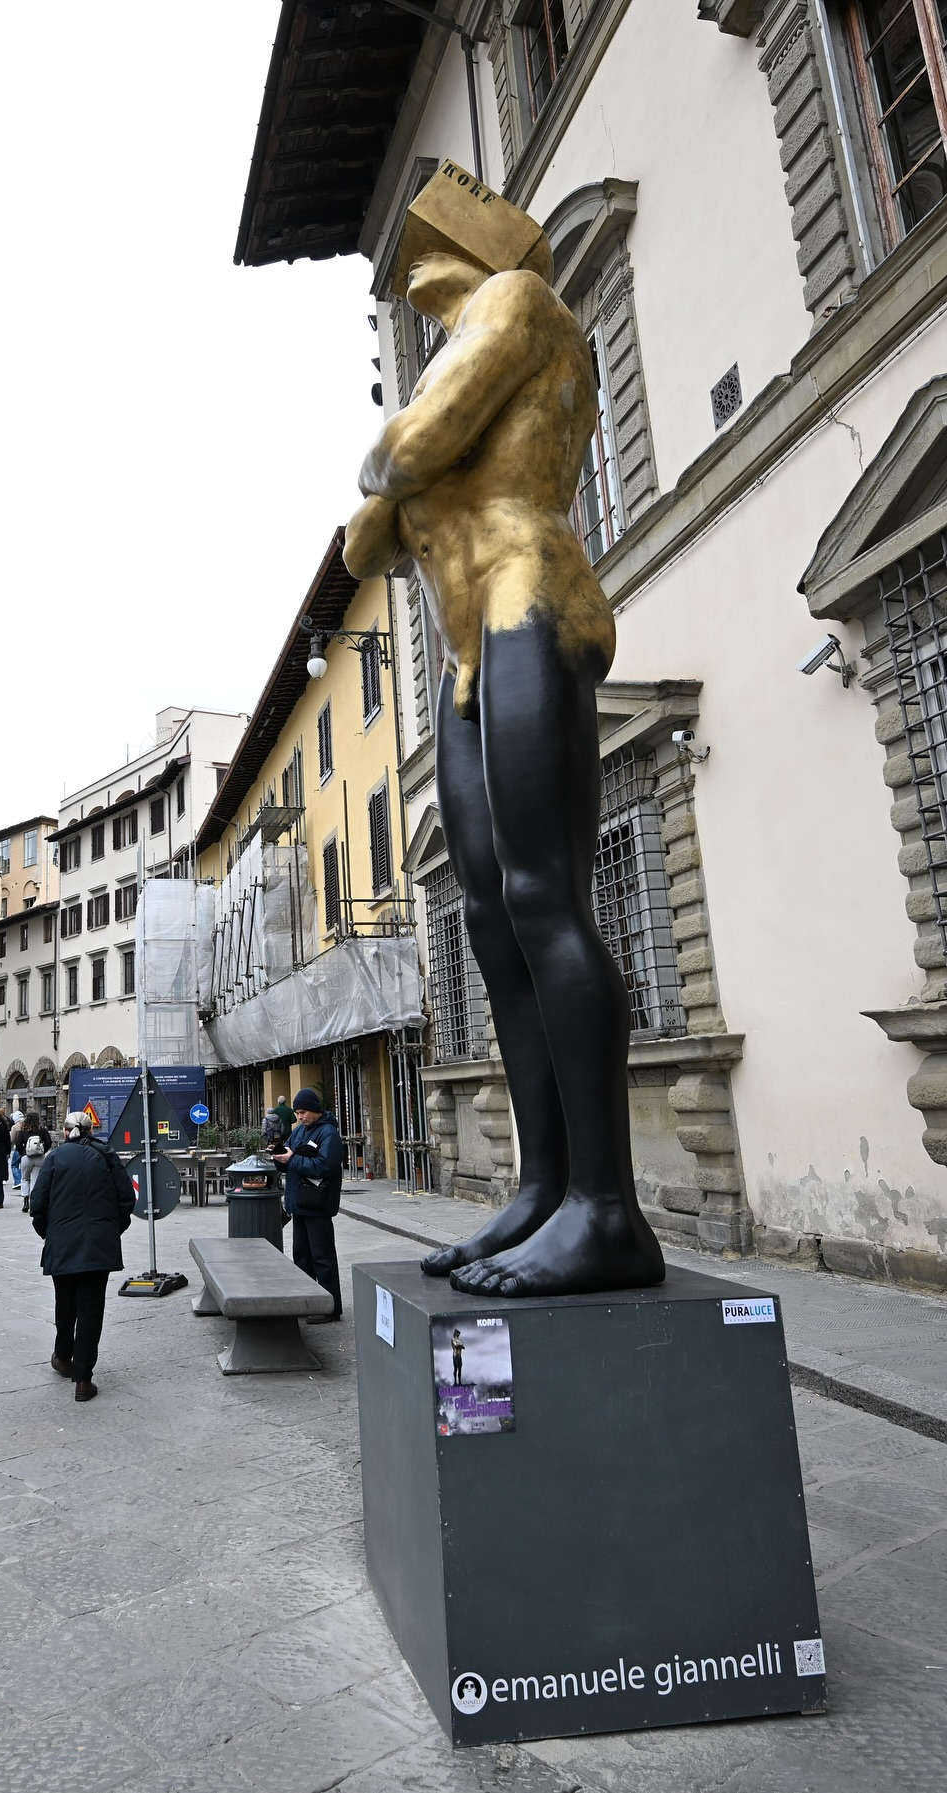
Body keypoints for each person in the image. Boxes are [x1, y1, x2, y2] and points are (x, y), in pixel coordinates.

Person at [344, 162, 663, 1300]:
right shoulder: (456, 348)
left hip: (534, 595)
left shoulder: (519, 302)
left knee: (544, 897)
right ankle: (545, 1186)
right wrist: (403, 464)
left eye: (431, 241)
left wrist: (401, 460)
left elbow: (400, 462)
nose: (409, 269)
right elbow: (363, 547)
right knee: (488, 915)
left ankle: (608, 1211)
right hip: (469, 651)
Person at [29, 1110, 135, 1402]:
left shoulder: (55, 1158)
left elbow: (38, 1204)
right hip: (98, 1246)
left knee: (64, 1305)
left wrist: (49, 1234)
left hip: (62, 1244)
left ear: (65, 1132)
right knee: (91, 1310)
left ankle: (63, 1357)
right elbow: (127, 1199)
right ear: (91, 1130)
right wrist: (111, 1231)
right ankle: (83, 1380)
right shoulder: (107, 1155)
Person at [270, 1088, 343, 1323]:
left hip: (317, 1203)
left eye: (303, 1112)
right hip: (299, 1202)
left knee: (322, 1257)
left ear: (315, 1110)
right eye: (297, 1113)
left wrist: (292, 1159)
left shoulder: (328, 1133)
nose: (300, 1117)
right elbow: (289, 1158)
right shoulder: (300, 1131)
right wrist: (279, 1156)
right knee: (301, 1256)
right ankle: (307, 1301)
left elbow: (325, 1166)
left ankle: (330, 1307)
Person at [18, 1112, 52, 1213]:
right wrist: (43, 1151)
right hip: (39, 1158)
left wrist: (23, 1153)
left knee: (25, 1178)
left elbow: (18, 1144)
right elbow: (48, 1142)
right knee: (35, 1179)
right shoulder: (42, 1130)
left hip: (26, 1157)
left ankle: (25, 1202)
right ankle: (33, 1203)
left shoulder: (23, 1130)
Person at [10, 1109, 26, 1191]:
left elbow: (12, 1139)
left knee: (14, 1165)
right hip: (26, 1148)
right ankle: (23, 1180)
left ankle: (18, 1181)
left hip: (18, 1148)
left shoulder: (15, 1127)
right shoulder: (26, 1124)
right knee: (23, 1166)